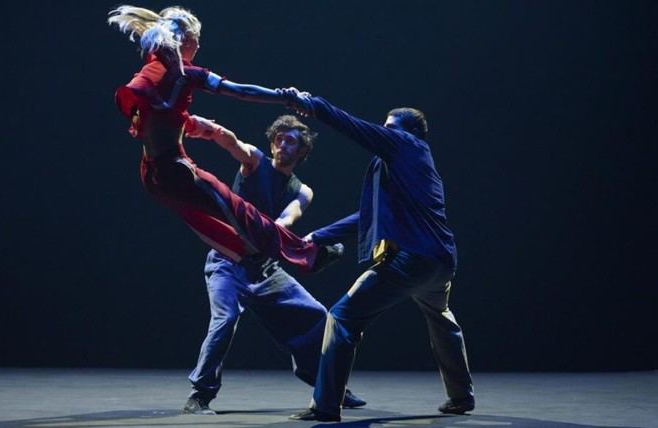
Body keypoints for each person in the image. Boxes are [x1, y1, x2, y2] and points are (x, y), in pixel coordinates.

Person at [278, 90, 475, 422]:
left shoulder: (407, 146)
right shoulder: (410, 168)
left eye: (390, 127)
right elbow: (366, 217)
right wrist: (317, 236)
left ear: (407, 132)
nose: (384, 132)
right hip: (440, 262)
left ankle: (326, 405)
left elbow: (354, 127)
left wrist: (313, 105)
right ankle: (461, 396)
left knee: (342, 317)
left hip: (413, 260)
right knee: (442, 319)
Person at [107, 6, 341, 273]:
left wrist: (190, 122)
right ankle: (308, 255)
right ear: (186, 39)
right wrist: (285, 96)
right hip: (175, 169)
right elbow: (241, 91)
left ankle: (248, 258)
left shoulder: (153, 70)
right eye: (197, 39)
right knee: (240, 212)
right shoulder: (186, 73)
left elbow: (155, 115)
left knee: (203, 220)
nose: (198, 46)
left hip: (151, 174)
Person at [181, 115, 366, 414]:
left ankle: (326, 385)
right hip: (227, 261)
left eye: (290, 140)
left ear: (302, 151)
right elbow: (232, 141)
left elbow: (286, 220)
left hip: (264, 267)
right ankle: (200, 394)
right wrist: (206, 128)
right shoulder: (255, 161)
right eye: (278, 138)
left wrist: (274, 235)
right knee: (225, 319)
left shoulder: (302, 190)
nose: (282, 144)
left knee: (317, 315)